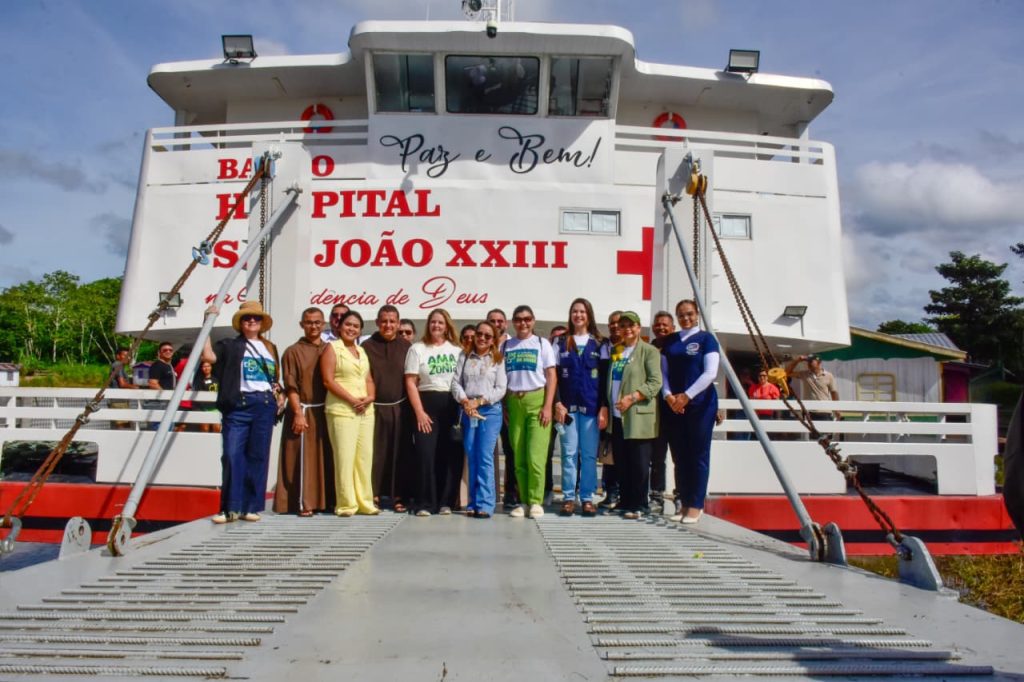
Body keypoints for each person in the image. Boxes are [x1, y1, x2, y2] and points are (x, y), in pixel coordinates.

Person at [201, 301, 284, 524]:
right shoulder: (229, 345)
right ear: (240, 323)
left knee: (257, 456)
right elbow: (208, 357)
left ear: (262, 323)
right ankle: (229, 507)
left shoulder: (270, 347)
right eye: (247, 318)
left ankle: (250, 506)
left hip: (264, 404)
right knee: (231, 454)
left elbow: (274, 378)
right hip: (238, 405)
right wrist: (206, 323)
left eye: (256, 318)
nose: (252, 321)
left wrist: (280, 395)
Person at [661, 299, 719, 524]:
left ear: (697, 315)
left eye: (689, 314)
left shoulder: (707, 339)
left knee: (698, 455)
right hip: (675, 406)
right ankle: (684, 502)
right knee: (680, 456)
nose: (686, 318)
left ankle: (696, 504)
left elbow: (710, 373)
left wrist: (687, 396)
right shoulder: (671, 340)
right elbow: (663, 372)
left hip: (700, 405)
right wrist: (669, 395)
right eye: (681, 315)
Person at [274, 308, 332, 517]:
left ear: (323, 324)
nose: (313, 326)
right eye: (309, 322)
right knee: (300, 458)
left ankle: (325, 502)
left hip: (325, 411)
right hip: (303, 410)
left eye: (317, 322)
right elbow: (291, 386)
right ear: (302, 325)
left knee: (324, 458)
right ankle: (301, 502)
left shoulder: (330, 349)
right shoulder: (292, 351)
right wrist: (298, 413)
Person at [605, 311, 663, 520]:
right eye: (623, 325)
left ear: (639, 328)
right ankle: (626, 501)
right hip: (617, 416)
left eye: (631, 325)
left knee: (639, 463)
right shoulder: (617, 350)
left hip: (638, 415)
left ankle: (639, 504)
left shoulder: (649, 351)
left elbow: (655, 382)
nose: (627, 329)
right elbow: (613, 379)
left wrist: (632, 397)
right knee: (622, 461)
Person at [404, 308, 462, 517]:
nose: (436, 325)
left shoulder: (457, 350)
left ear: (447, 326)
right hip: (426, 404)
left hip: (451, 404)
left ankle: (446, 502)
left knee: (449, 454)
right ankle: (425, 503)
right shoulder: (417, 349)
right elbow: (410, 382)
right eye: (433, 322)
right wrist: (419, 411)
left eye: (440, 322)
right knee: (425, 455)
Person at [553, 298, 608, 517]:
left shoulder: (600, 343)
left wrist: (603, 406)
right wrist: (557, 402)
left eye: (582, 311)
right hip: (567, 409)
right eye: (575, 311)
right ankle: (568, 497)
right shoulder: (560, 342)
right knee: (568, 454)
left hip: (591, 408)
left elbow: (605, 378)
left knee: (588, 456)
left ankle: (587, 498)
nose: (578, 315)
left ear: (589, 315)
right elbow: (553, 377)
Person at [321, 310, 379, 517]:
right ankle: (346, 504)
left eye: (356, 326)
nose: (351, 329)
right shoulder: (332, 348)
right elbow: (328, 380)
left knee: (364, 458)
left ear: (360, 330)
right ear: (339, 326)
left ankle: (365, 502)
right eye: (348, 324)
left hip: (365, 411)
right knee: (344, 458)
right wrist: (352, 400)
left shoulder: (361, 351)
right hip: (342, 410)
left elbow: (368, 379)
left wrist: (370, 397)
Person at [502, 304, 557, 519]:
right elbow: (502, 377)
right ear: (513, 322)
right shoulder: (507, 346)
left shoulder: (542, 344)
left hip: (537, 400)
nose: (522, 323)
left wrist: (548, 406)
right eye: (518, 319)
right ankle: (523, 500)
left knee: (536, 455)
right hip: (514, 401)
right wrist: (505, 405)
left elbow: (551, 376)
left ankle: (536, 500)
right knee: (518, 456)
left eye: (527, 319)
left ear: (533, 321)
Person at [451, 320, 507, 518]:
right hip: (468, 410)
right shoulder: (464, 356)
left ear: (493, 340)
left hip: (489, 411)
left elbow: (501, 388)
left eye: (487, 336)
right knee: (471, 454)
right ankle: (473, 502)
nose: (482, 338)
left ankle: (485, 503)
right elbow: (456, 383)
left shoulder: (497, 359)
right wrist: (466, 401)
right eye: (479, 334)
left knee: (484, 456)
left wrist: (480, 401)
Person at [362, 305, 412, 512]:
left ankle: (399, 495)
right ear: (377, 322)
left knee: (400, 453)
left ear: (398, 323)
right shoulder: (366, 346)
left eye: (392, 321)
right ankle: (373, 494)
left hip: (401, 408)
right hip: (374, 408)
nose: (388, 325)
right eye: (384, 321)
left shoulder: (407, 347)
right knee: (375, 453)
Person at [487, 307, 518, 510]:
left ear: (505, 324)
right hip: (486, 406)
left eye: (500, 321)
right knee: (486, 452)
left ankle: (511, 494)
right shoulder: (482, 343)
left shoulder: (513, 345)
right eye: (492, 321)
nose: (496, 324)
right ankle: (488, 493)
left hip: (508, 406)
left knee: (510, 450)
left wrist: (507, 404)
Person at [648, 310, 676, 513]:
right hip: (655, 411)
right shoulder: (648, 350)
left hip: (677, 409)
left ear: (673, 328)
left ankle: (681, 496)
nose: (661, 328)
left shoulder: (679, 348)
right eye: (658, 324)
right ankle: (656, 497)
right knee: (657, 457)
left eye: (665, 324)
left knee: (679, 457)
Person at [598, 310, 623, 510]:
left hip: (625, 409)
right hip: (606, 408)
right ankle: (611, 493)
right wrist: (603, 406)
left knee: (625, 454)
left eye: (619, 323)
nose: (615, 326)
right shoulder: (603, 347)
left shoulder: (629, 349)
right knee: (608, 453)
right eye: (612, 323)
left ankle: (625, 493)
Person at [785, 354, 841, 421]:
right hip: (809, 411)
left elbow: (834, 392)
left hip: (824, 411)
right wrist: (797, 360)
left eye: (811, 361)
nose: (808, 363)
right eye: (808, 361)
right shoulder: (804, 374)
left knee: (825, 428)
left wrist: (837, 409)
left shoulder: (829, 375)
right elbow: (786, 372)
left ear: (819, 362)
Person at [146, 341, 177, 430]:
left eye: (170, 350)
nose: (168, 351)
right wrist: (165, 396)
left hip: (168, 402)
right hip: (160, 403)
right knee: (160, 428)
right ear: (159, 353)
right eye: (165, 350)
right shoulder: (157, 365)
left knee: (169, 428)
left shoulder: (168, 366)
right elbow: (152, 383)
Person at [108, 347, 137, 429]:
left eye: (129, 356)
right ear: (118, 356)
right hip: (118, 401)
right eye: (125, 355)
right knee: (121, 426)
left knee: (122, 425)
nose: (128, 358)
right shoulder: (118, 365)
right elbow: (122, 384)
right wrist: (136, 387)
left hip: (118, 400)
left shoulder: (119, 366)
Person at [193, 359, 220, 433]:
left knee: (217, 429)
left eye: (208, 366)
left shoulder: (216, 379)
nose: (206, 368)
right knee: (205, 429)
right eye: (204, 366)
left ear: (211, 367)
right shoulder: (198, 381)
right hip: (204, 409)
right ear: (201, 368)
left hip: (215, 408)